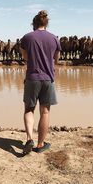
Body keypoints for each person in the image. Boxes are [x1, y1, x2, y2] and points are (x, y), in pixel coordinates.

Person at [20, 10, 61, 155]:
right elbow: (56, 59)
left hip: (32, 78)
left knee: (29, 109)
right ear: (46, 23)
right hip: (48, 79)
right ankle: (40, 144)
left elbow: (26, 57)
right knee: (45, 112)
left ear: (34, 24)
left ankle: (29, 138)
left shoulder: (27, 38)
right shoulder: (54, 38)